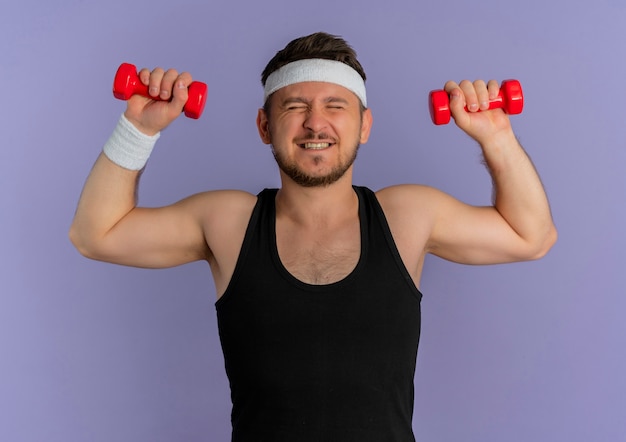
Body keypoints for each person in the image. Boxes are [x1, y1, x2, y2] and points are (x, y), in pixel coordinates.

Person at [70, 32, 557, 441]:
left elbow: (531, 236)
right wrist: (139, 127)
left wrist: (496, 136)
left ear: (364, 126)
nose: (315, 123)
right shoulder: (227, 222)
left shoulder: (408, 215)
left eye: (335, 106)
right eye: (295, 106)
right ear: (265, 126)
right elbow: (96, 235)